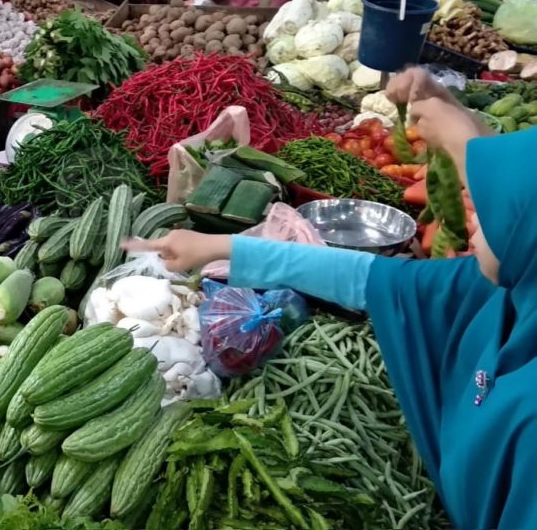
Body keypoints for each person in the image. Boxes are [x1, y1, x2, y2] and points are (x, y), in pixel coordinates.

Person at [126, 67, 537, 530]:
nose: (469, 219)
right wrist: (222, 248)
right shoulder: (495, 290)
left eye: (492, 211)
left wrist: (462, 138)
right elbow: (368, 276)